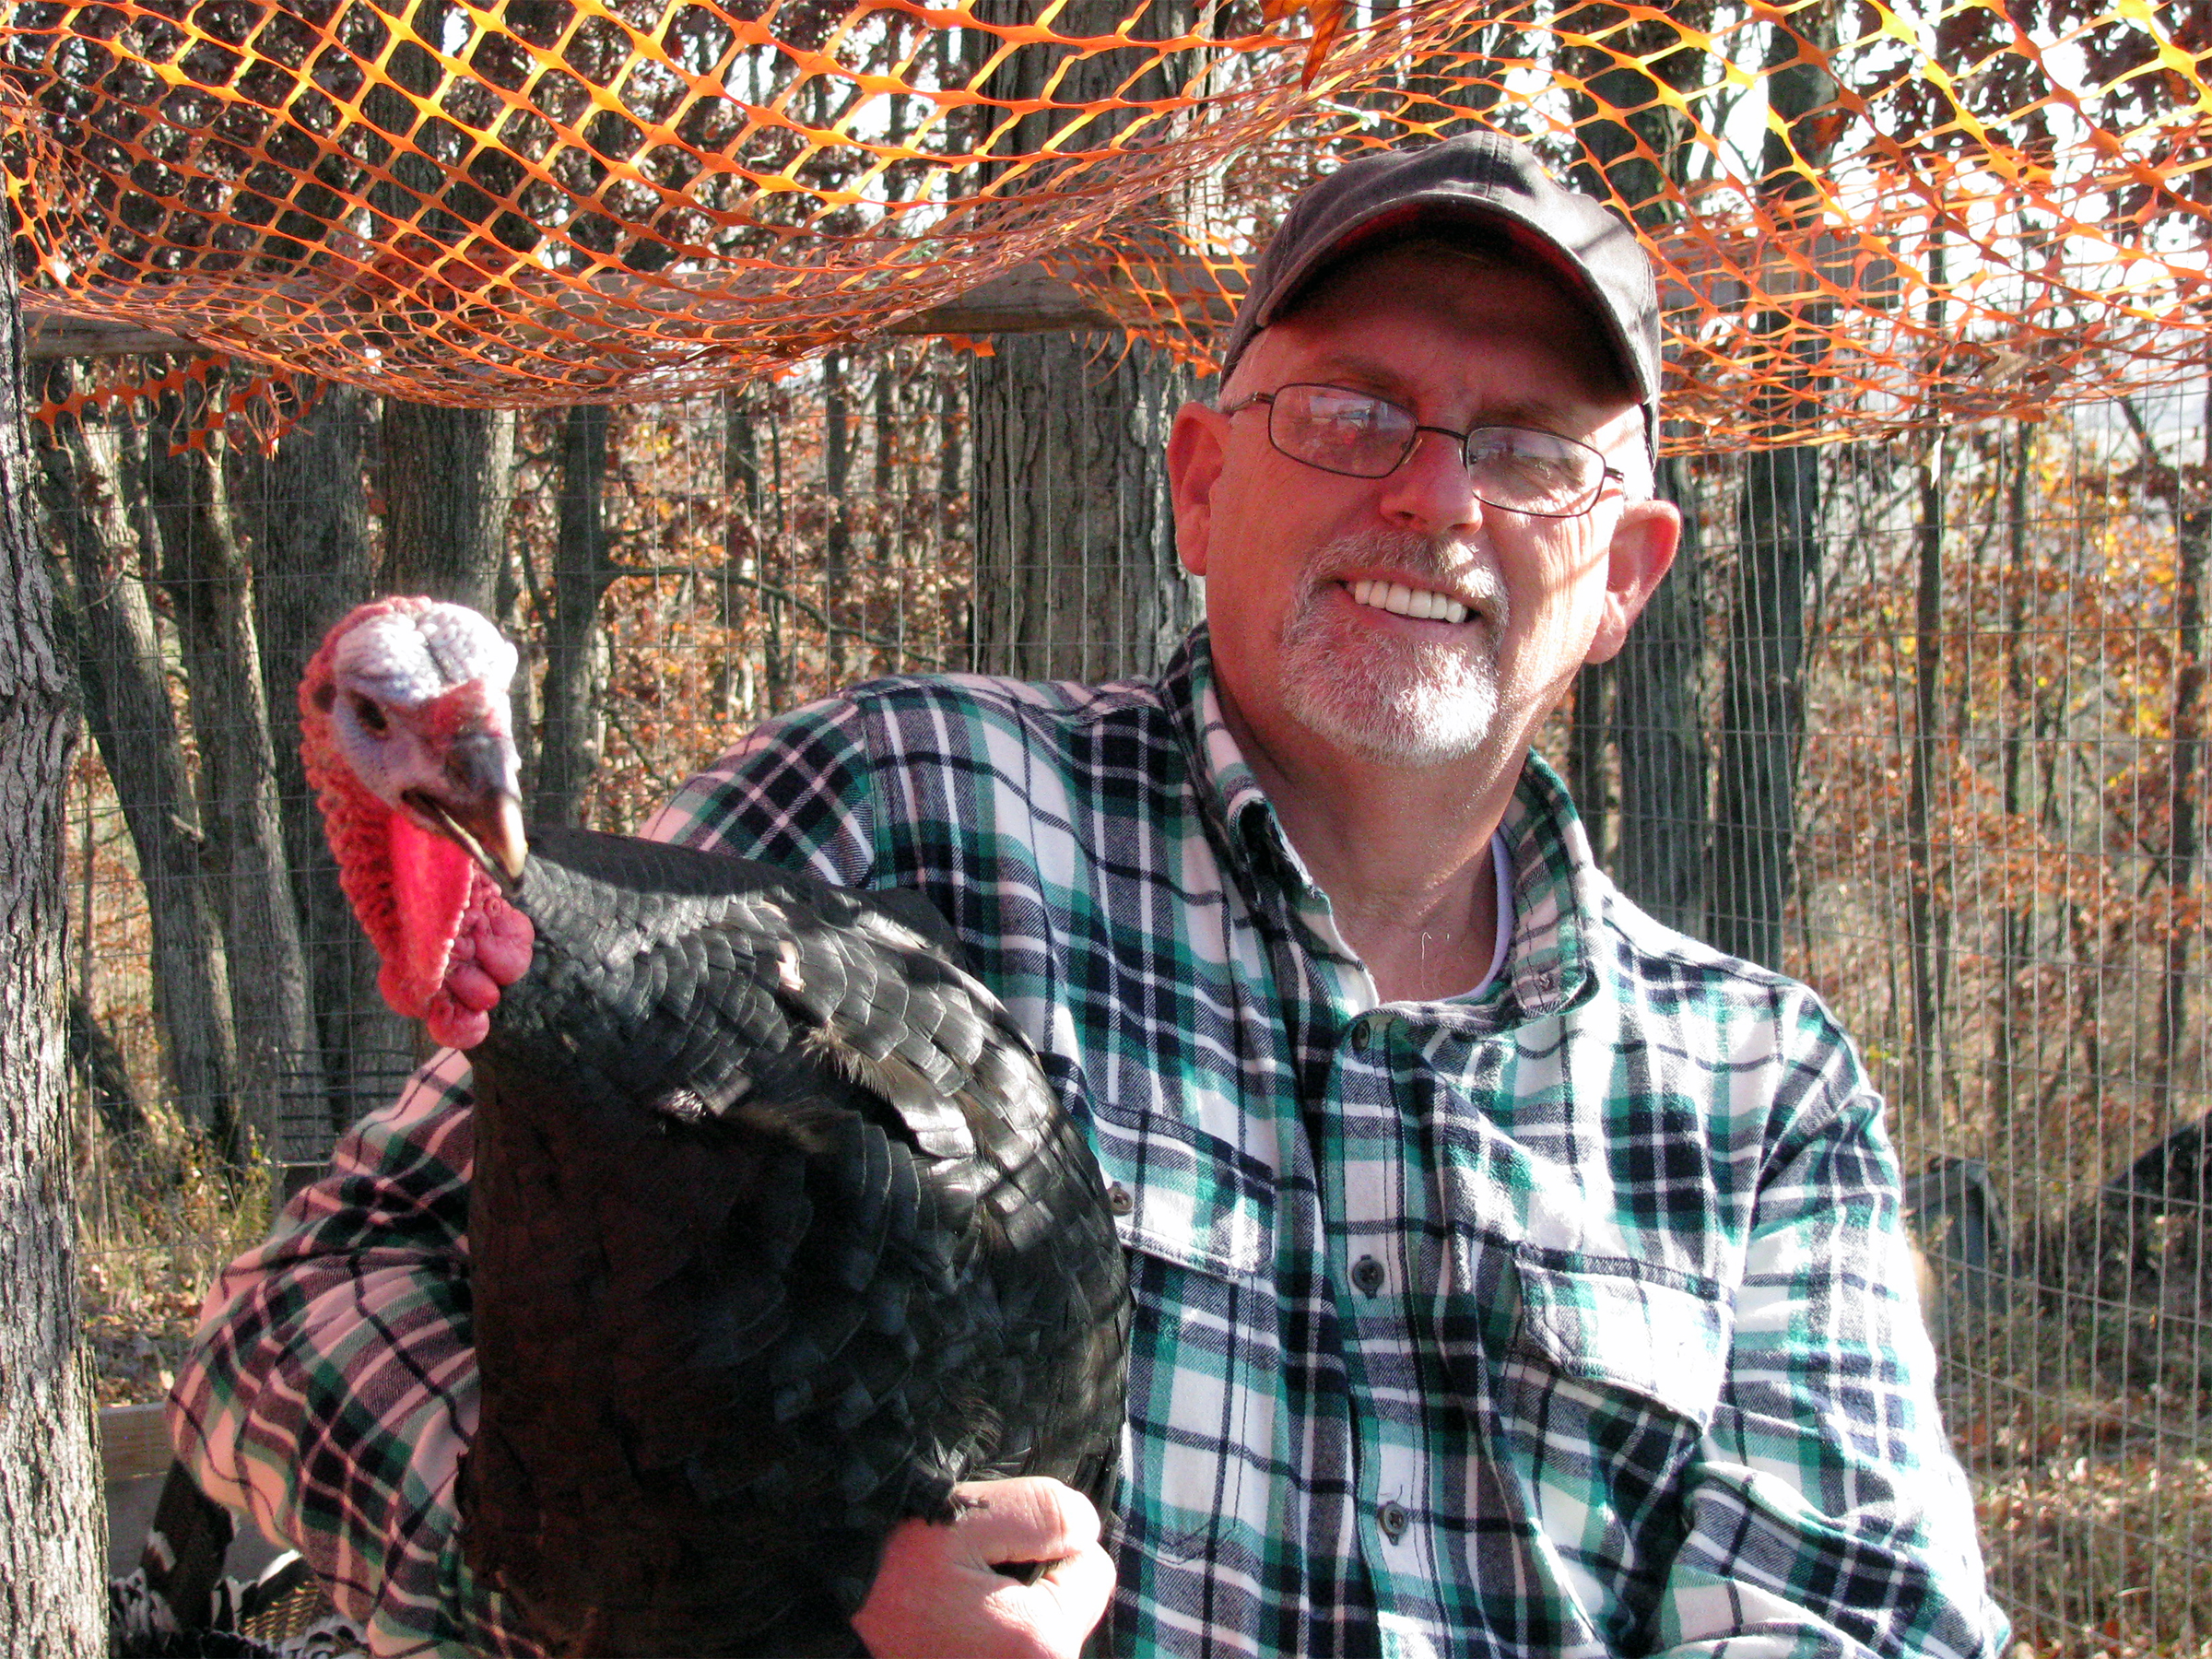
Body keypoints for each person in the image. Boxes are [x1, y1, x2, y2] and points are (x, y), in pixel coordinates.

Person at [171, 132, 2008, 1659]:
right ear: (1201, 485)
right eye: (1352, 412)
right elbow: (296, 1318)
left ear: (1625, 574)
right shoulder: (898, 824)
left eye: (1530, 450)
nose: (1436, 496)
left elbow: (1863, 1617)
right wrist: (704, 1615)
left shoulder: (1759, 1091)